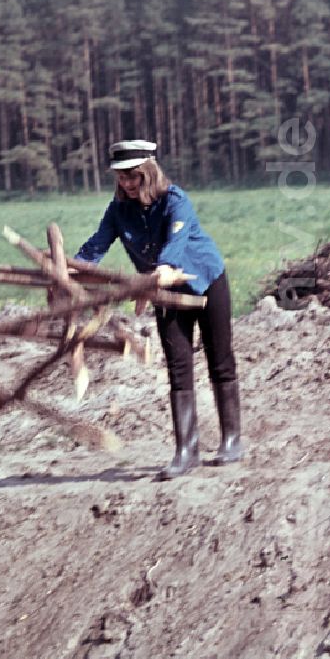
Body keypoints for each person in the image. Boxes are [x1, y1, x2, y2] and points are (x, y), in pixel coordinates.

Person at [75, 139, 243, 479]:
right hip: (164, 294)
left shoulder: (175, 201)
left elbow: (175, 246)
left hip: (205, 282)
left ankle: (232, 441)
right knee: (178, 367)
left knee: (219, 360)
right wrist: (74, 267)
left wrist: (161, 270)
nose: (125, 183)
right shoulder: (117, 210)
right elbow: (98, 243)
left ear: (147, 172)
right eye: (121, 177)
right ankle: (186, 451)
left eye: (132, 176)